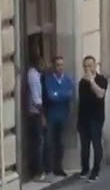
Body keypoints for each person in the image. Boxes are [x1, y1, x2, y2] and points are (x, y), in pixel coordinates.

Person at [42, 55, 76, 178]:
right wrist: (62, 95)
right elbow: (51, 96)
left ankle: (58, 168)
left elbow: (70, 95)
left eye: (61, 65)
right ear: (54, 66)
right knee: (48, 143)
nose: (60, 67)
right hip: (51, 116)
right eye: (57, 65)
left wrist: (59, 95)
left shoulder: (68, 79)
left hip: (63, 116)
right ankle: (48, 168)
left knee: (60, 143)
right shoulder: (49, 80)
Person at [77, 56, 108, 182]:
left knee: (96, 143)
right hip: (83, 118)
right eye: (85, 66)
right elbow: (82, 101)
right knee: (84, 146)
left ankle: (95, 171)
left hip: (96, 118)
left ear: (95, 66)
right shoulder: (81, 82)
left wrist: (91, 81)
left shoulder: (102, 80)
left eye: (90, 66)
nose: (87, 68)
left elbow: (100, 94)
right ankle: (85, 169)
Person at [25, 45, 46, 181]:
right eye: (42, 62)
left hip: (35, 113)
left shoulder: (37, 74)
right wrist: (42, 115)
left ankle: (39, 170)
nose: (45, 65)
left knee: (38, 143)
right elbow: (36, 98)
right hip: (34, 114)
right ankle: (37, 172)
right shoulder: (32, 75)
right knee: (37, 144)